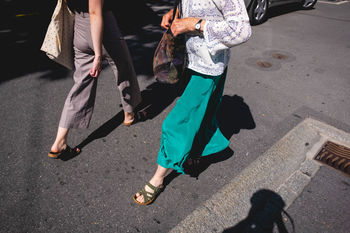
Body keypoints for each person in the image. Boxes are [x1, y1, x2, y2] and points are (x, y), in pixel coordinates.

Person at [133, 0, 252, 205]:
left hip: (208, 66)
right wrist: (174, 13)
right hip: (190, 60)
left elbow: (241, 29)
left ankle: (158, 178)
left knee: (177, 121)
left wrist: (195, 25)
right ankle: (197, 151)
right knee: (203, 113)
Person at [48, 0, 141, 158]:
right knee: (124, 69)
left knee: (81, 84)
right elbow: (95, 13)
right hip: (102, 28)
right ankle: (129, 114)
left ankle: (59, 141)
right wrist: (98, 55)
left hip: (79, 28)